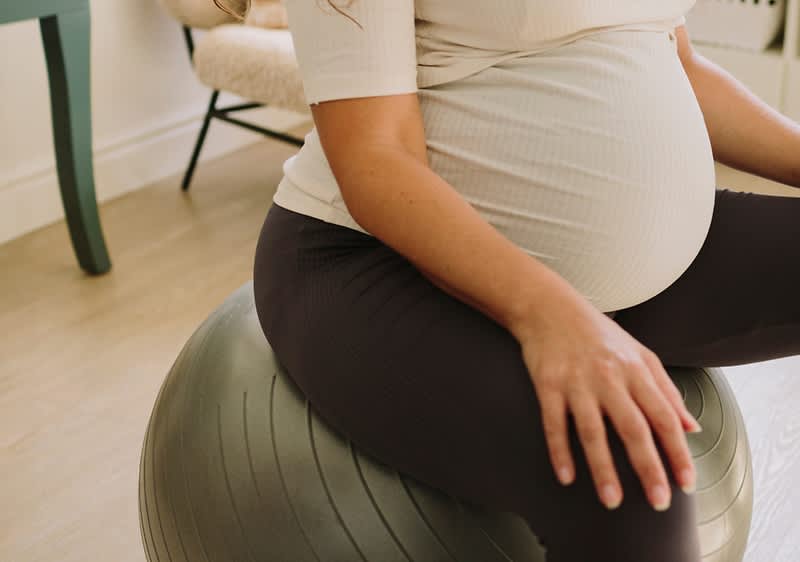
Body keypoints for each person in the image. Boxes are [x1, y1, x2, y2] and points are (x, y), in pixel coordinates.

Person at [240, 1, 800, 559]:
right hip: (376, 263)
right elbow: (375, 156)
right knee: (628, 474)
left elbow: (677, 59)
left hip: (627, 263)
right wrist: (556, 319)